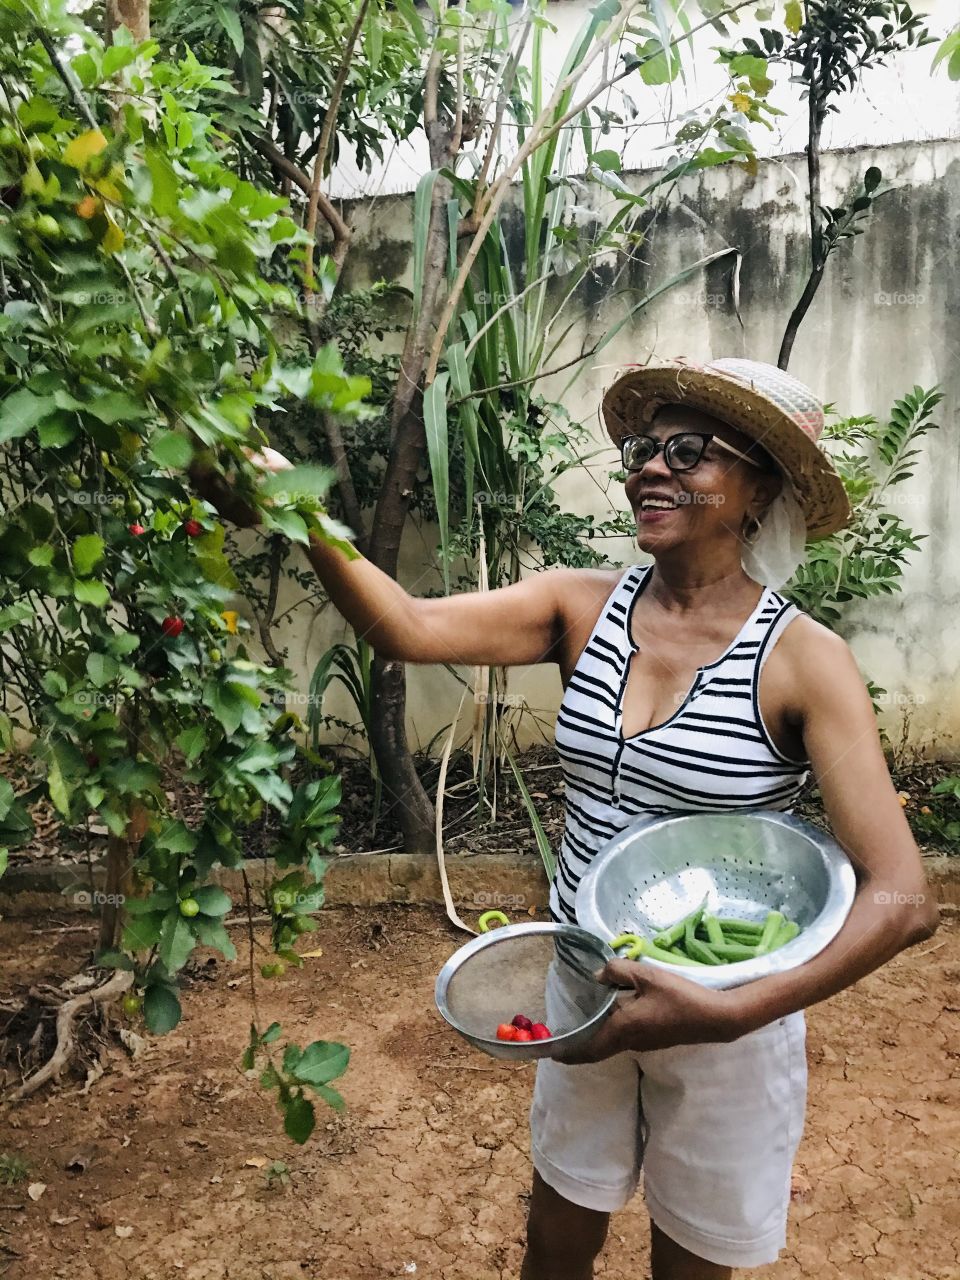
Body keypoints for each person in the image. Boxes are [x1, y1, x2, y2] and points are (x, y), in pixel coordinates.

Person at [194, 355, 938, 1279]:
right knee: (555, 1237)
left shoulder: (803, 661)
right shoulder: (578, 608)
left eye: (689, 451)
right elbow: (406, 626)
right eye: (644, 449)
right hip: (585, 987)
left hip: (728, 1017)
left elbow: (903, 897)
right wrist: (299, 510)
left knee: (691, 1262)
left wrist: (726, 1012)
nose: (652, 467)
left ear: (759, 489)